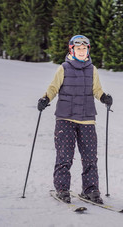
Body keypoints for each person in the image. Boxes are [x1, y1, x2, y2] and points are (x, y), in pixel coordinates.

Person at [37, 35, 113, 204]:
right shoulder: (63, 68)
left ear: (88, 50)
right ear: (72, 50)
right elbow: (53, 88)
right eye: (78, 48)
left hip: (87, 119)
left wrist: (104, 98)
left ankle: (91, 190)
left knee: (90, 157)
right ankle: (62, 189)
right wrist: (45, 99)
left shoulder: (92, 69)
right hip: (65, 118)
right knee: (64, 156)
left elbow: (97, 90)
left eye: (84, 48)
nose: (81, 51)